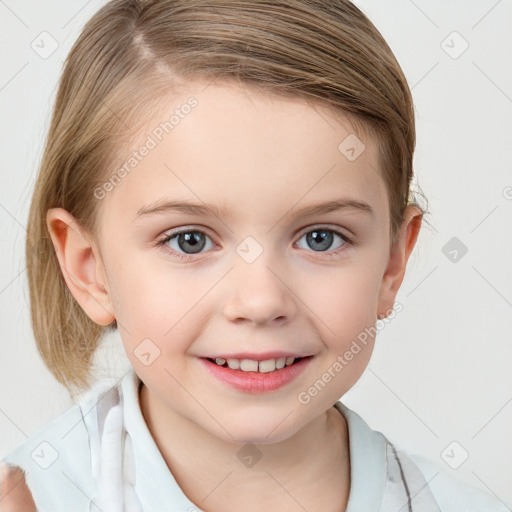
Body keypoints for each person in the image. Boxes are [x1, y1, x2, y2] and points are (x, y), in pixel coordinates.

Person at [0, 0, 508, 511]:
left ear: (392, 264)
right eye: (189, 240)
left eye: (321, 238)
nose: (261, 301)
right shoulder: (31, 497)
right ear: (90, 269)